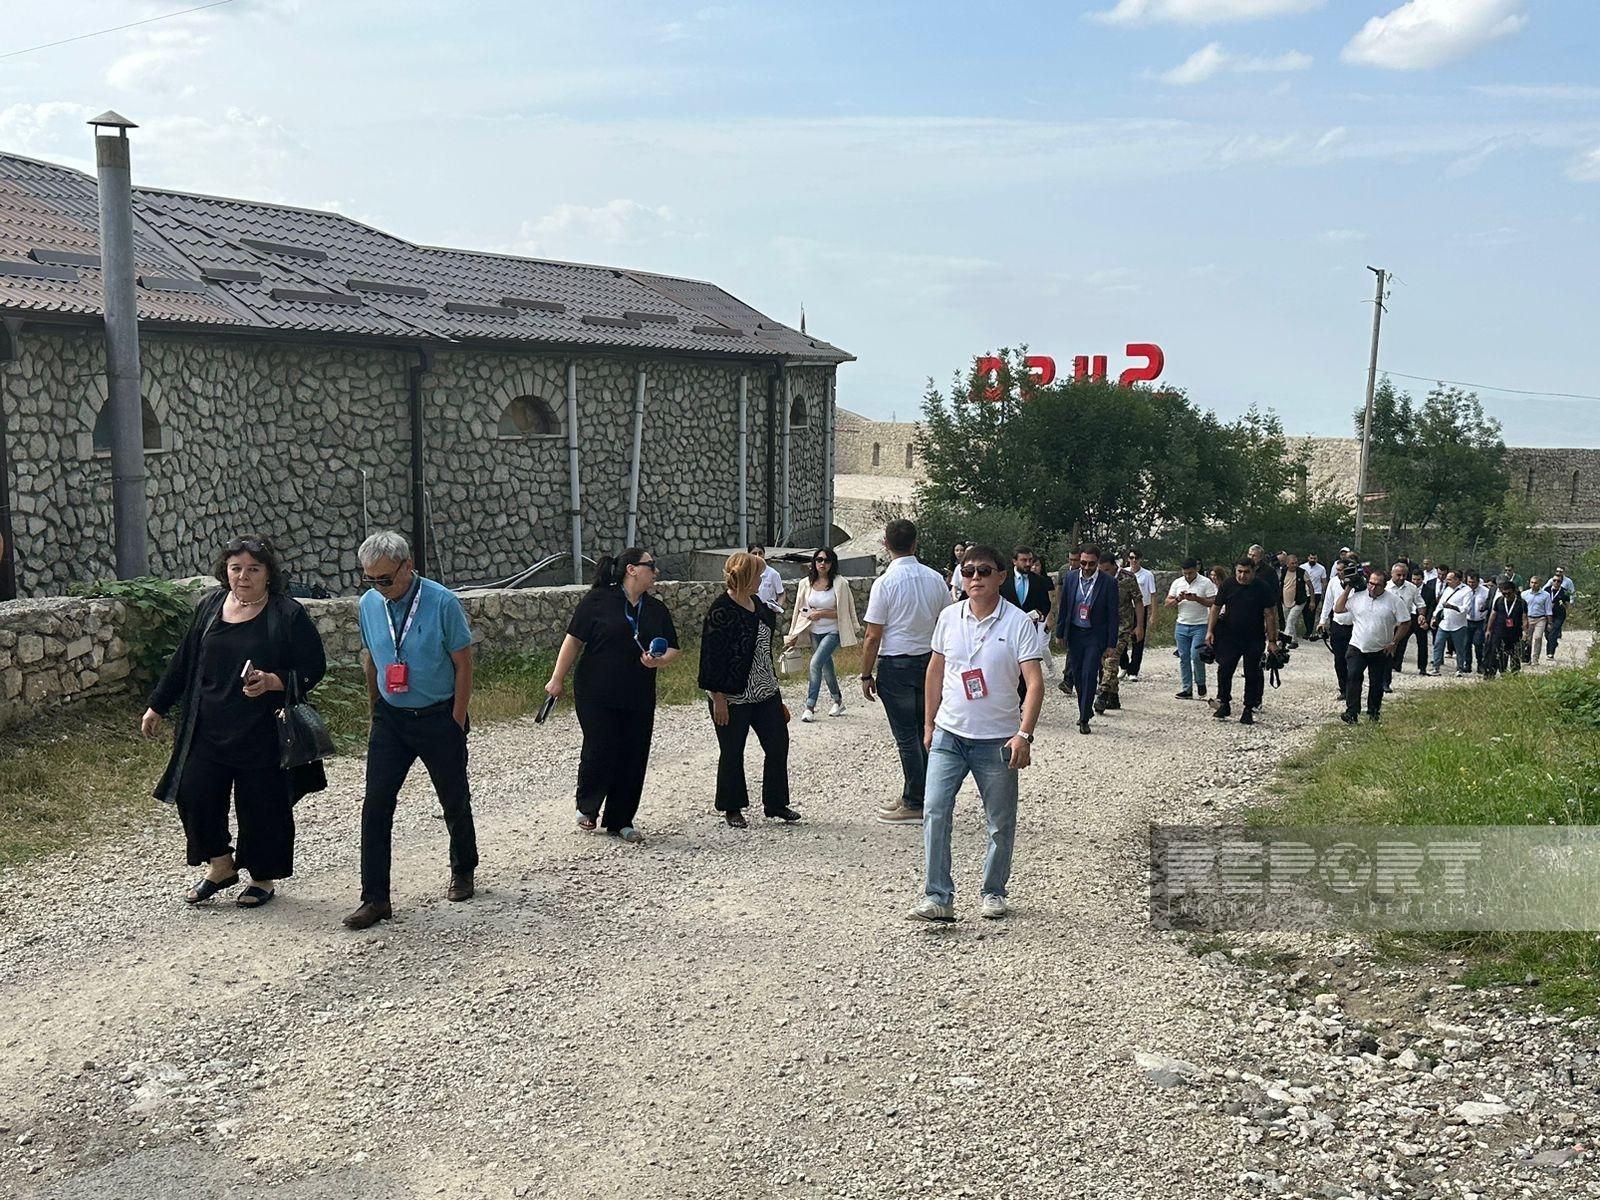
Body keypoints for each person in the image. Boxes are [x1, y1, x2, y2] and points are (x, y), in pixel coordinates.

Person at [143, 535, 327, 909]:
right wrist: (157, 706)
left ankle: (262, 878)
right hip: (207, 726)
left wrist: (273, 681)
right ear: (225, 571)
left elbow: (313, 667)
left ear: (269, 573)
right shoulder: (211, 606)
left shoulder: (287, 614)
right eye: (236, 568)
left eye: (253, 569)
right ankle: (221, 866)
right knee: (193, 792)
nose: (243, 576)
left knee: (262, 805)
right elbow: (183, 660)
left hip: (263, 730)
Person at [343, 531, 478, 931]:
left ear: (408, 566)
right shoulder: (369, 605)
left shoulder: (442, 602)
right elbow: (373, 659)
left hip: (438, 716)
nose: (378, 587)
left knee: (453, 797)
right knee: (376, 805)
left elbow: (463, 664)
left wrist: (456, 719)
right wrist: (374, 712)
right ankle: (375, 898)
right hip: (391, 719)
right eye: (370, 579)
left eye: (385, 578)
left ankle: (463, 869)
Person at [906, 544, 1044, 924]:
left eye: (984, 571)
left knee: (1000, 821)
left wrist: (1024, 735)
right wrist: (929, 724)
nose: (976, 578)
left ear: (1001, 576)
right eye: (968, 572)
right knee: (935, 811)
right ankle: (938, 897)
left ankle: (994, 890)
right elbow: (935, 671)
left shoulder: (1018, 623)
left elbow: (1034, 683)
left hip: (997, 740)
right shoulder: (949, 617)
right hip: (949, 735)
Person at [544, 547, 680, 844]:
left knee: (634, 753)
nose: (656, 571)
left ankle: (621, 819)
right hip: (596, 691)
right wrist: (556, 679)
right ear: (632, 569)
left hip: (638, 692)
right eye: (651, 566)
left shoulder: (656, 609)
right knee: (601, 746)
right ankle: (587, 806)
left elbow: (673, 648)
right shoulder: (597, 600)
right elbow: (573, 641)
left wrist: (659, 661)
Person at [699, 551, 800, 828]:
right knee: (732, 751)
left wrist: (776, 694)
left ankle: (776, 803)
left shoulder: (759, 605)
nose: (762, 580)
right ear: (746, 578)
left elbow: (764, 653)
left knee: (778, 745)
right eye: (758, 575)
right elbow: (710, 658)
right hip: (732, 696)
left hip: (765, 692)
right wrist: (718, 699)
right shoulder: (720, 611)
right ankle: (732, 807)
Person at [861, 519, 951, 824]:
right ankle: (921, 792)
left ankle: (916, 801)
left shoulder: (885, 583)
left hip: (896, 662)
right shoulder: (935, 579)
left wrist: (865, 673)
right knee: (926, 730)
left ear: (886, 544)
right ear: (915, 543)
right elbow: (946, 621)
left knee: (906, 737)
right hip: (929, 660)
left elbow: (873, 634)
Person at [785, 546, 860, 721]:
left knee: (815, 663)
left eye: (827, 560)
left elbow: (844, 612)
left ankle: (809, 706)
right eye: (819, 560)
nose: (823, 563)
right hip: (813, 630)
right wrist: (794, 632)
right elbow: (799, 609)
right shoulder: (806, 583)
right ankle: (838, 700)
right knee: (826, 667)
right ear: (814, 562)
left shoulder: (840, 583)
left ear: (832, 563)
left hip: (833, 631)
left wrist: (822, 614)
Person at [1205, 558, 1279, 725]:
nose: (1242, 576)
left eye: (1246, 572)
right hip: (1229, 636)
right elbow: (1216, 608)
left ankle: (1248, 708)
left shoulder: (1262, 587)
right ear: (1235, 571)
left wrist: (1272, 640)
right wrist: (1209, 631)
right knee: (1224, 668)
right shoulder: (1228, 584)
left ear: (1253, 572)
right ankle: (1224, 703)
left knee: (1252, 673)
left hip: (1254, 637)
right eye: (1239, 571)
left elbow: (1269, 614)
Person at [1334, 568, 1412, 724]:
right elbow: (1338, 608)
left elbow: (1405, 622)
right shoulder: (1358, 597)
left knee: (1376, 683)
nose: (1373, 587)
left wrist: (1394, 642)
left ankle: (1373, 713)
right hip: (1357, 646)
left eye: (1378, 585)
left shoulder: (1394, 601)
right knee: (1353, 677)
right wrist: (1348, 588)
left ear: (1385, 585)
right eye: (1371, 583)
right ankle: (1351, 713)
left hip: (1380, 649)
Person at [1055, 545, 1118, 734]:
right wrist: (1060, 633)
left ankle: (1083, 718)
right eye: (1083, 563)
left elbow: (1113, 614)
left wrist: (1111, 643)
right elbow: (1064, 606)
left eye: (1091, 563)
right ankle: (1085, 707)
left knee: (1090, 673)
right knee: (1078, 674)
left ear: (1097, 562)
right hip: (1075, 633)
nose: (1086, 567)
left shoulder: (1108, 582)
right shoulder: (1071, 577)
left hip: (1095, 635)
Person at [1000, 545, 1053, 704]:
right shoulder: (1003, 580)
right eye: (1024, 560)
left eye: (1030, 560)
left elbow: (1046, 604)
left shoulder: (1039, 581)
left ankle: (1020, 703)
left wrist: (1040, 614)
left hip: (1029, 631)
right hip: (1004, 630)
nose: (1028, 564)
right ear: (1014, 561)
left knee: (1025, 667)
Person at [1097, 552, 1143, 715]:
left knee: (1112, 659)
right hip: (1103, 626)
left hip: (1122, 626)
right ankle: (1114, 697)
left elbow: (1138, 601)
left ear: (1114, 566)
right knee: (1106, 661)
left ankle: (1102, 694)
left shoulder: (1127, 578)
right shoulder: (1097, 578)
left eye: (1106, 570)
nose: (1104, 573)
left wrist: (1139, 626)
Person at [1165, 558, 1216, 700]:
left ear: (1196, 569)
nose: (1188, 576)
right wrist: (1178, 599)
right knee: (1184, 657)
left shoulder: (1206, 582)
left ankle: (1200, 682)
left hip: (1200, 625)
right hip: (1181, 624)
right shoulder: (1177, 582)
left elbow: (1213, 602)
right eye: (1185, 573)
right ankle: (1186, 688)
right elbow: (1167, 603)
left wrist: (1197, 598)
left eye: (1191, 573)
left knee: (1196, 655)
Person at [1318, 556, 1358, 699]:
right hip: (1338, 624)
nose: (1339, 572)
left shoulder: (1359, 583)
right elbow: (1328, 602)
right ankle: (1343, 688)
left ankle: (1353, 688)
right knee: (1339, 659)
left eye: (1342, 570)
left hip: (1355, 626)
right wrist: (1322, 621)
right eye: (1338, 570)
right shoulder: (1333, 582)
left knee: (1353, 660)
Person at [1428, 569, 1472, 677]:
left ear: (1457, 580)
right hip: (1444, 623)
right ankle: (1436, 667)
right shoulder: (1447, 589)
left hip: (1458, 625)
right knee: (1438, 644)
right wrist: (1434, 616)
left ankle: (1460, 669)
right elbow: (1440, 605)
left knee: (1459, 648)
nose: (1447, 581)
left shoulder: (1467, 591)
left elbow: (1466, 608)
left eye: (1449, 579)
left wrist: (1453, 607)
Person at [1386, 563, 1425, 681]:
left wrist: (1421, 615)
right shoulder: (1385, 587)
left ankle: (1396, 667)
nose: (1401, 578)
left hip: (1403, 624)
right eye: (1398, 575)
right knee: (1386, 649)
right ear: (1392, 574)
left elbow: (1420, 603)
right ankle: (1386, 674)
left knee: (1400, 646)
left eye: (1404, 575)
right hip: (1387, 624)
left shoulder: (1412, 588)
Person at [1120, 549, 1156, 681]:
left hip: (1140, 608)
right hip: (1125, 609)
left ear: (1140, 559)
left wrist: (1153, 614)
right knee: (1121, 637)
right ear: (1128, 559)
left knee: (1138, 639)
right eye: (1131, 557)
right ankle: (1123, 665)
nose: (1134, 560)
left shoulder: (1147, 575)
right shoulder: (1123, 573)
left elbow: (1152, 594)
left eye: (1136, 558)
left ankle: (1133, 670)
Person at [1483, 577, 1525, 678]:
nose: (1506, 596)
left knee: (1515, 654)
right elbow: (1493, 615)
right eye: (1504, 593)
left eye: (1508, 593)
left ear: (1514, 591)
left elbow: (1525, 618)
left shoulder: (1521, 603)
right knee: (1497, 653)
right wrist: (1489, 630)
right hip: (1499, 632)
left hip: (1515, 633)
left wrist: (1525, 632)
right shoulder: (1499, 601)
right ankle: (1497, 673)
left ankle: (1515, 674)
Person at [1521, 576, 1553, 665]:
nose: (1533, 585)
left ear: (1540, 584)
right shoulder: (1524, 594)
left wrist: (1550, 622)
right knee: (1527, 639)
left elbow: (1548, 609)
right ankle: (1527, 658)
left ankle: (1535, 658)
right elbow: (1521, 608)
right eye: (1532, 582)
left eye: (1535, 583)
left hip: (1540, 618)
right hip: (1528, 618)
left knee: (1538, 637)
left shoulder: (1545, 595)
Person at [1463, 570, 1490, 674]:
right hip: (1467, 620)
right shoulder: (1464, 591)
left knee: (1478, 643)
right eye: (1469, 582)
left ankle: (1480, 664)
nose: (1471, 584)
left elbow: (1489, 605)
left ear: (1478, 581)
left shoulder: (1485, 592)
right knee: (1466, 644)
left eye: (1473, 582)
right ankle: (1467, 664)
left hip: (1480, 621)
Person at [1282, 553, 1309, 649]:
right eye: (1292, 563)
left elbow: (1310, 586)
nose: (1295, 565)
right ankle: (1294, 641)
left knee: (1290, 620)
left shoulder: (1302, 572)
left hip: (1299, 600)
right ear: (1287, 564)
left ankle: (1283, 641)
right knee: (1288, 621)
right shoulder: (1283, 572)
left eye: (1296, 563)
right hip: (1285, 600)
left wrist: (1312, 601)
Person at [750, 544, 786, 615]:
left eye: (760, 553)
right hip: (750, 609)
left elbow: (781, 593)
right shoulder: (745, 573)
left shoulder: (773, 574)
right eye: (754, 553)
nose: (757, 556)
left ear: (764, 555)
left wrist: (778, 605)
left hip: (767, 611)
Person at [1545, 569, 1574, 659]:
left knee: (1553, 631)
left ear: (1561, 582)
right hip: (1548, 614)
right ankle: (1554, 643)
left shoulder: (1565, 592)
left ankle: (1550, 652)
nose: (1556, 582)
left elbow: (1568, 603)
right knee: (1547, 634)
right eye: (1554, 580)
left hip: (1559, 615)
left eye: (1558, 581)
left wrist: (1569, 612)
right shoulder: (1546, 590)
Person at [1302, 553, 1328, 640]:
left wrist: (1322, 590)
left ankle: (1308, 632)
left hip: (1316, 592)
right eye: (1311, 558)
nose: (1313, 560)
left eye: (1314, 558)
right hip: (1305, 592)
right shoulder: (1302, 567)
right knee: (1304, 612)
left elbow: (1324, 581)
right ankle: (1307, 629)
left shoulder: (1321, 568)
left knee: (1311, 612)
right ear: (1308, 558)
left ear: (1317, 559)